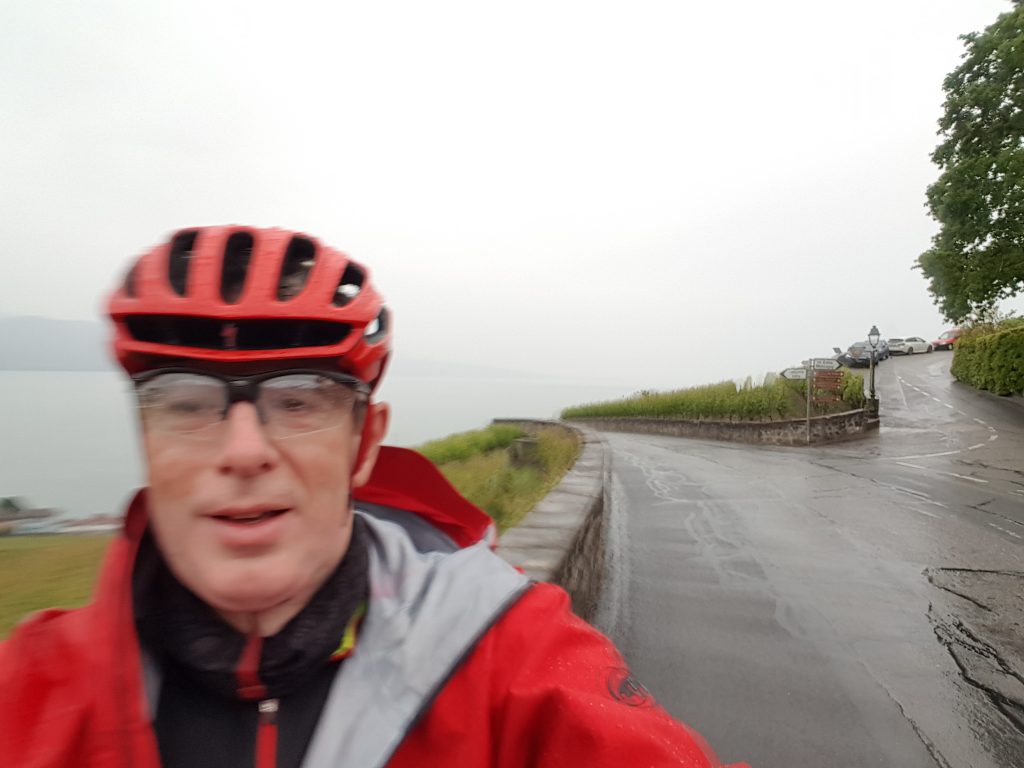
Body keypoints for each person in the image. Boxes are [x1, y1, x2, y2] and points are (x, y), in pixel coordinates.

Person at [0, 226, 747, 768]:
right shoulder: (34, 689)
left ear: (365, 445)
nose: (243, 451)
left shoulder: (506, 652)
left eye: (299, 400)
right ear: (146, 438)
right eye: (187, 402)